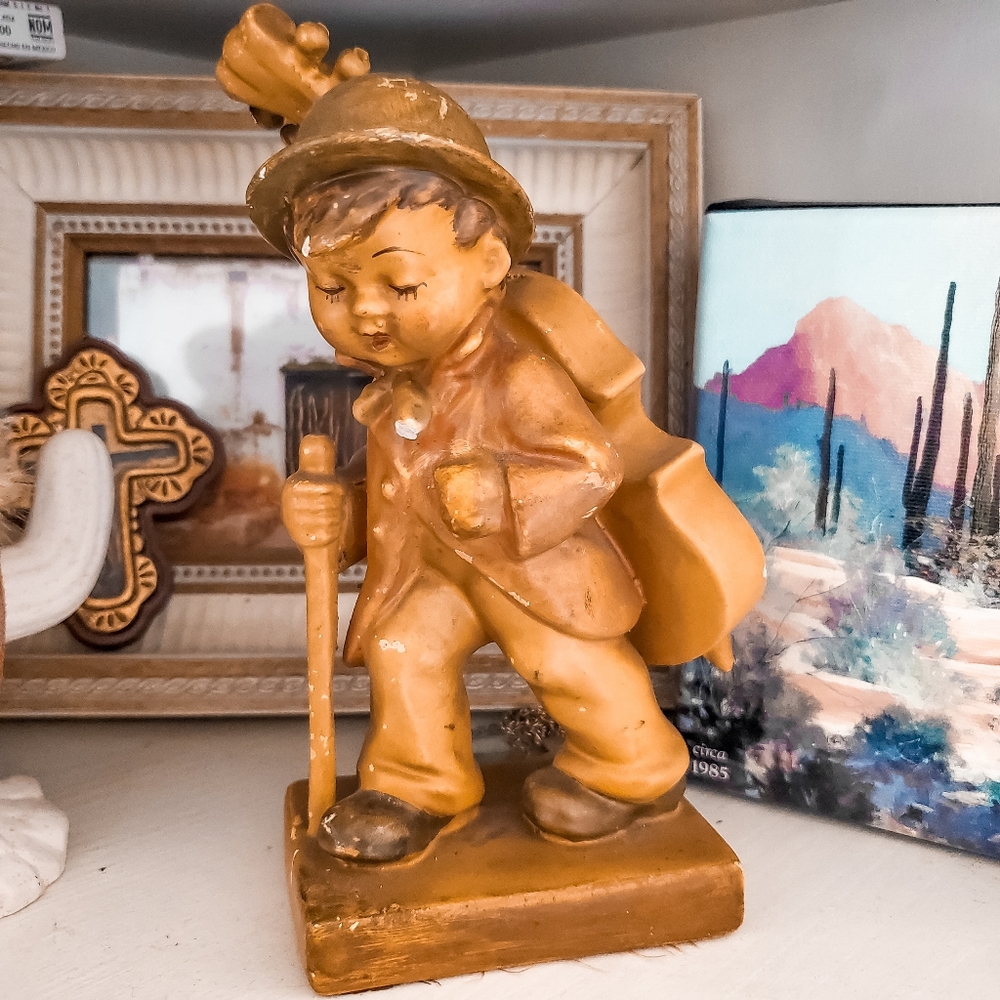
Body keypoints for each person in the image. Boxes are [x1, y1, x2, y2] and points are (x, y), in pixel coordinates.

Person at [222, 24, 764, 862]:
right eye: (332, 286)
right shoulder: (391, 397)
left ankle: (634, 769)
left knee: (568, 667)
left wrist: (501, 492)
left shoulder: (520, 376)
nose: (366, 311)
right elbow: (391, 493)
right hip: (433, 572)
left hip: (538, 571)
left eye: (402, 284)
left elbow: (591, 467)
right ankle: (418, 785)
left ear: (488, 264)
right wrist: (339, 507)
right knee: (406, 647)